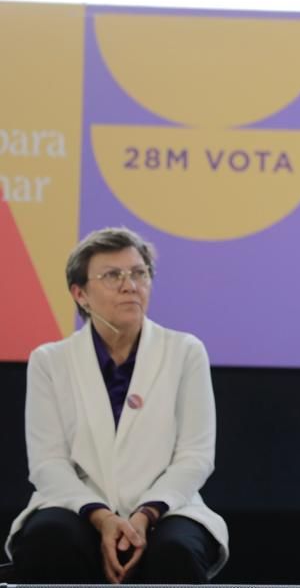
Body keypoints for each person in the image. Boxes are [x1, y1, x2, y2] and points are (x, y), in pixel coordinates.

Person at [5, 227, 228, 584]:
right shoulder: (49, 361)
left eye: (139, 273)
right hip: (76, 507)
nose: (131, 285)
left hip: (166, 508)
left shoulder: (185, 351)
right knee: (49, 538)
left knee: (177, 550)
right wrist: (102, 516)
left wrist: (144, 514)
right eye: (113, 275)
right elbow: (47, 463)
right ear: (80, 294)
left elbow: (195, 456)